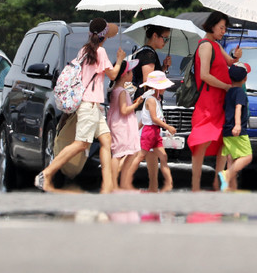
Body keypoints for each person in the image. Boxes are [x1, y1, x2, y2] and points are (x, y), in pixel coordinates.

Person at [35, 18, 125, 193]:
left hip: (93, 106)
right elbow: (113, 75)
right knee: (81, 144)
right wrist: (120, 59)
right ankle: (46, 173)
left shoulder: (84, 50)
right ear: (104, 36)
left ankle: (107, 187)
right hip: (89, 105)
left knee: (106, 140)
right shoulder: (101, 52)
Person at [187, 11, 242, 192]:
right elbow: (204, 75)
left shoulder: (216, 45)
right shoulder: (206, 46)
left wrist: (236, 56)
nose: (223, 31)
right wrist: (226, 87)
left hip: (220, 102)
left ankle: (217, 184)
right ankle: (195, 184)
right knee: (201, 142)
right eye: (221, 27)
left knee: (221, 143)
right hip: (209, 101)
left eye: (225, 28)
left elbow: (230, 63)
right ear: (211, 25)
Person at [107, 58, 144, 191]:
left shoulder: (117, 89)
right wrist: (136, 104)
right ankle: (115, 184)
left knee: (128, 152)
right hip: (122, 126)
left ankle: (121, 183)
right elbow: (124, 110)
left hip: (120, 124)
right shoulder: (121, 91)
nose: (132, 74)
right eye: (130, 72)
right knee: (119, 154)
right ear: (124, 74)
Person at [139, 70, 176, 192]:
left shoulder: (156, 99)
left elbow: (145, 119)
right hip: (150, 132)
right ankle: (125, 180)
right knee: (141, 157)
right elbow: (153, 119)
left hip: (154, 133)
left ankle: (154, 188)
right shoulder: (151, 100)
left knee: (157, 159)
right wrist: (168, 127)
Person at [217, 63, 253, 191]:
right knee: (247, 157)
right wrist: (238, 125)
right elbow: (238, 108)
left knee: (231, 158)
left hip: (227, 129)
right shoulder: (240, 93)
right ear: (245, 79)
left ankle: (230, 187)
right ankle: (226, 175)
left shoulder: (229, 92)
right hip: (237, 130)